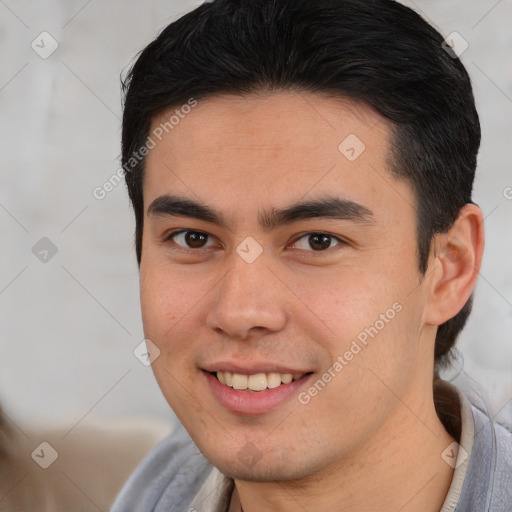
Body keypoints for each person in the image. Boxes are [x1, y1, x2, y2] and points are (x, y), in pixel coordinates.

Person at [112, 0, 512, 510]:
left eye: (317, 241)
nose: (239, 312)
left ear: (448, 267)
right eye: (193, 238)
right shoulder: (151, 491)